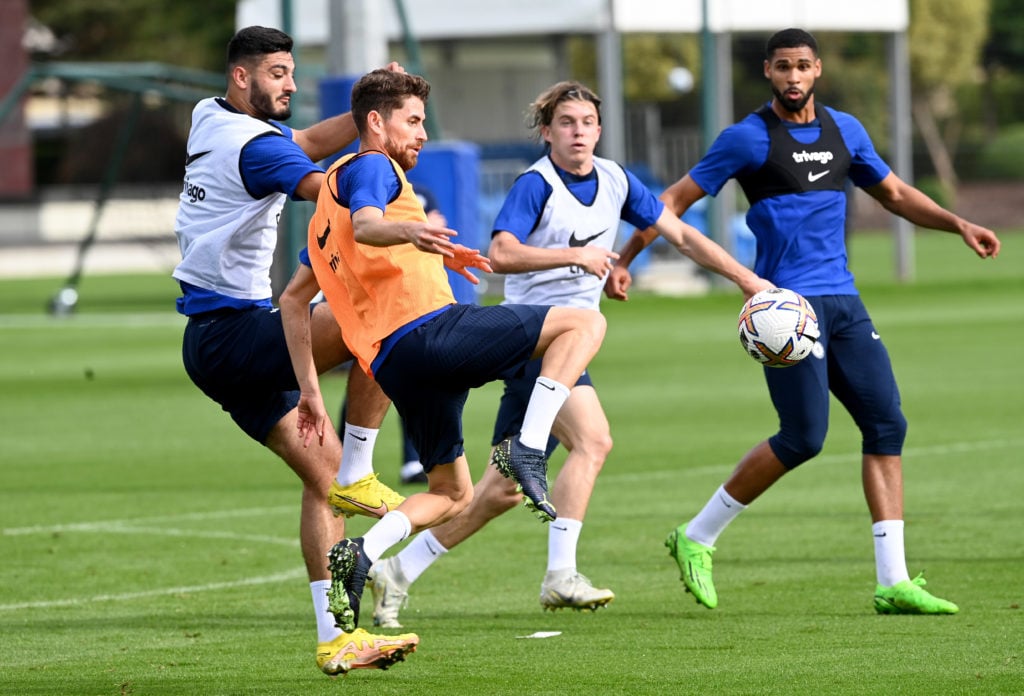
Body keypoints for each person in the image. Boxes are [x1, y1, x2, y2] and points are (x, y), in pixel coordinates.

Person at [606, 28, 1001, 615]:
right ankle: (697, 535)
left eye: (803, 66)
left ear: (817, 70)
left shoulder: (846, 130)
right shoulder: (747, 138)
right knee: (804, 438)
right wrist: (625, 259)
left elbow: (893, 193)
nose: (793, 77)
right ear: (768, 71)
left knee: (887, 426)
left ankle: (892, 581)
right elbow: (673, 202)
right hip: (784, 310)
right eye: (783, 67)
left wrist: (958, 223)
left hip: (845, 303)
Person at [365, 81, 771, 626]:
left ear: (599, 130)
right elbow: (500, 253)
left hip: (567, 346)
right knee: (594, 440)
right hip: (532, 339)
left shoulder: (616, 179)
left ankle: (398, 571)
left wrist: (747, 281)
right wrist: (573, 257)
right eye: (566, 123)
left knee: (498, 492)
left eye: (586, 123)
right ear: (547, 132)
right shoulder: (536, 184)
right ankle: (560, 575)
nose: (578, 132)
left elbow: (681, 235)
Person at [282, 68, 610, 635]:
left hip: (392, 365)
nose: (423, 134)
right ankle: (529, 448)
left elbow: (292, 301)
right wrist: (409, 234)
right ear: (376, 123)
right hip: (432, 334)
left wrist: (311, 388)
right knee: (582, 323)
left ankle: (364, 554)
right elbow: (367, 226)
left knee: (454, 493)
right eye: (413, 121)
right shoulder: (373, 166)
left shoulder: (322, 207)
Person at [171, 26, 417, 675]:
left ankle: (338, 638)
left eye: (291, 73)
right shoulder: (255, 151)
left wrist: (367, 105)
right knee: (388, 317)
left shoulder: (211, 115)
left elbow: (303, 140)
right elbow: (324, 186)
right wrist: (378, 144)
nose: (291, 84)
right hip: (236, 335)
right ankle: (364, 465)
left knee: (324, 481)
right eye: (279, 73)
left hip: (223, 339)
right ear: (243, 77)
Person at [335, 183, 447, 486]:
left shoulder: (420, 193)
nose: (419, 136)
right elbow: (363, 232)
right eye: (411, 130)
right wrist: (415, 230)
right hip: (368, 298)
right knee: (368, 378)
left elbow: (437, 230)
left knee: (409, 381)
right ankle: (342, 456)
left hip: (406, 304)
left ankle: (412, 460)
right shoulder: (359, 185)